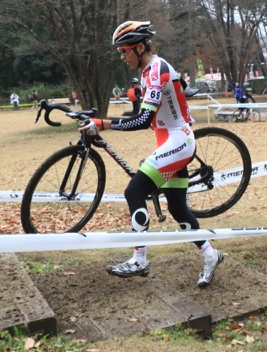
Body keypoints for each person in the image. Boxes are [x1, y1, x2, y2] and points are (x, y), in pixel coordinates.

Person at [79, 21, 223, 287]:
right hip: (171, 141)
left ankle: (140, 258)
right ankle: (212, 256)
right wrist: (104, 121)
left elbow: (143, 120)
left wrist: (103, 123)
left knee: (133, 192)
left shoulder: (157, 71)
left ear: (140, 47)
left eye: (125, 51)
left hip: (178, 140)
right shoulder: (146, 72)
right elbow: (141, 115)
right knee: (179, 209)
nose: (122, 57)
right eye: (120, 52)